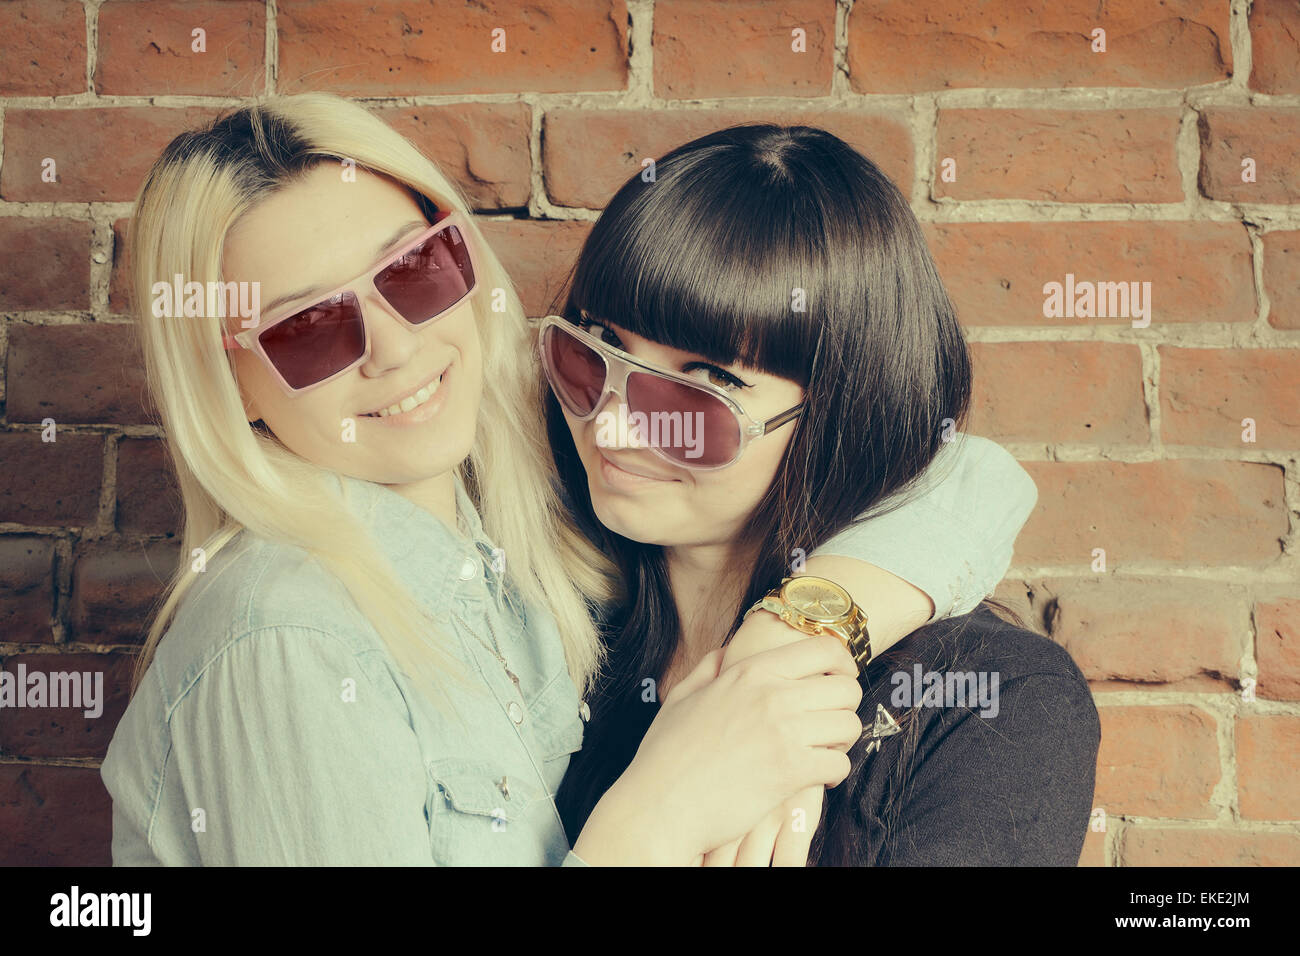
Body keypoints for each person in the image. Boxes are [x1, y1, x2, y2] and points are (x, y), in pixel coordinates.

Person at [101, 93, 1033, 865]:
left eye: (414, 268)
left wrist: (792, 630)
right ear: (231, 388)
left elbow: (965, 475)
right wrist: (653, 820)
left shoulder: (545, 515)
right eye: (306, 327)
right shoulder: (286, 641)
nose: (396, 347)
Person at [550, 123, 1101, 865]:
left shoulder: (996, 705)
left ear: (842, 412)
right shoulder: (536, 638)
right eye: (592, 348)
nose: (611, 426)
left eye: (702, 387)